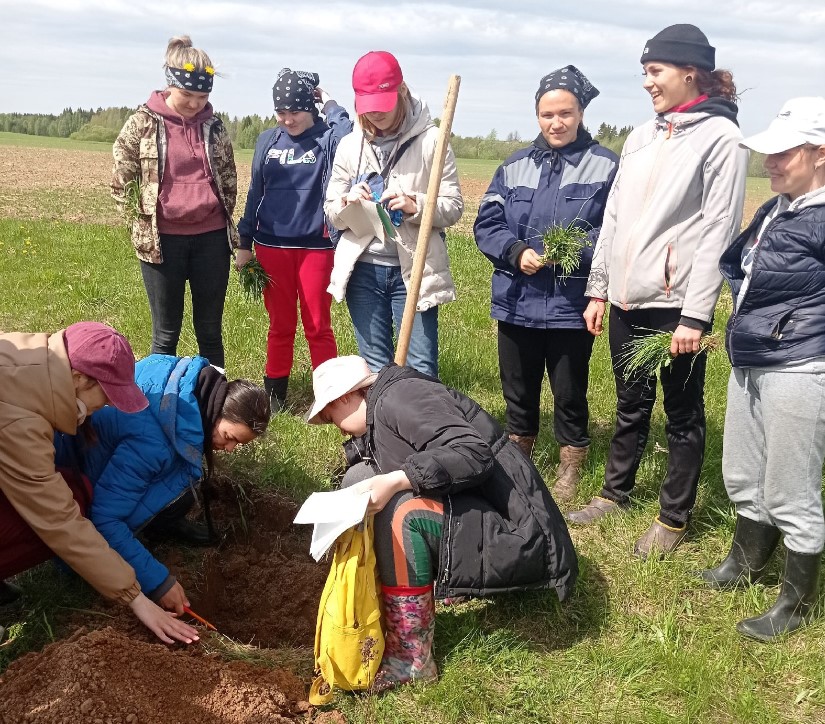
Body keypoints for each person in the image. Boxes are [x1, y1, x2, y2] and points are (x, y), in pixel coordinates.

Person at [566, 24, 749, 559]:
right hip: (626, 298)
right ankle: (614, 494)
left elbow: (719, 229)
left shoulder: (722, 140)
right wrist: (599, 289)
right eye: (645, 72)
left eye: (655, 71)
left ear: (689, 72)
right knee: (630, 403)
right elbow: (615, 217)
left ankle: (672, 517)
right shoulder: (643, 137)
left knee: (683, 413)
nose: (648, 82)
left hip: (675, 304)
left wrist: (696, 316)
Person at [306, 356, 577, 690]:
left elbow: (474, 453)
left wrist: (398, 480)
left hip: (521, 532)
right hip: (480, 507)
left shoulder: (401, 399)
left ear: (346, 397)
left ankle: (412, 658)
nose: (337, 428)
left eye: (333, 419)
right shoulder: (384, 405)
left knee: (402, 513)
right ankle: (403, 595)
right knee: (360, 478)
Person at [698, 97, 825, 641]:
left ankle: (795, 605)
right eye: (767, 152)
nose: (769, 162)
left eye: (783, 152)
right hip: (753, 355)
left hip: (800, 363)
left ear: (820, 153)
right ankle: (746, 562)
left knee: (791, 488)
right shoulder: (780, 206)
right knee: (744, 473)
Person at [0, 322, 198, 645]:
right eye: (105, 396)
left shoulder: (31, 361)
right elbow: (60, 522)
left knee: (73, 491)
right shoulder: (21, 422)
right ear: (78, 378)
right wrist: (136, 598)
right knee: (61, 510)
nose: (105, 407)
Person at [473, 65, 618, 501]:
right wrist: (516, 253)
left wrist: (572, 248)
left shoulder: (606, 166)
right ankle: (519, 456)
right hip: (517, 299)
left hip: (569, 304)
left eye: (565, 113)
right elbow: (488, 222)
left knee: (569, 390)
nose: (556, 123)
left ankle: (570, 463)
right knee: (517, 387)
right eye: (546, 114)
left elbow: (614, 231)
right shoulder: (515, 165)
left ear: (580, 113)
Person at [56, 354, 270, 616]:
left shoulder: (180, 379)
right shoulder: (152, 443)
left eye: (238, 444)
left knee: (184, 483)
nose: (230, 449)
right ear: (217, 411)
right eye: (229, 437)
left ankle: (156, 527)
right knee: (173, 485)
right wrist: (159, 582)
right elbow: (105, 519)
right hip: (68, 487)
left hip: (90, 451)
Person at [324, 51, 463, 378]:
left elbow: (454, 206)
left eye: (382, 102)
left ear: (401, 91)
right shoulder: (350, 145)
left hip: (414, 270)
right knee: (374, 367)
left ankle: (423, 429)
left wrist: (418, 204)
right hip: (364, 272)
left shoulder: (433, 142)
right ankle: (380, 430)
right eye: (367, 104)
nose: (375, 112)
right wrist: (346, 202)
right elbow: (331, 211)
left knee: (420, 369)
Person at [112, 35, 238, 369]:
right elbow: (122, 178)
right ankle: (158, 401)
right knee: (165, 333)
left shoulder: (214, 126)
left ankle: (215, 402)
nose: (196, 103)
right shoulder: (142, 122)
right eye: (188, 95)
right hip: (162, 242)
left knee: (209, 331)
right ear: (170, 85)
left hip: (211, 240)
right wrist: (142, 217)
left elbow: (228, 177)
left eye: (203, 95)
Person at [237, 68, 352, 411]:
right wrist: (245, 243)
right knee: (281, 324)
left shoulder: (328, 138)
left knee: (317, 324)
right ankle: (275, 398)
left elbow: (349, 132)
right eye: (281, 113)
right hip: (271, 246)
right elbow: (255, 191)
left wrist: (330, 101)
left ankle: (330, 396)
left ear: (311, 107)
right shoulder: (267, 141)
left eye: (295, 112)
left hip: (316, 249)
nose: (288, 120)